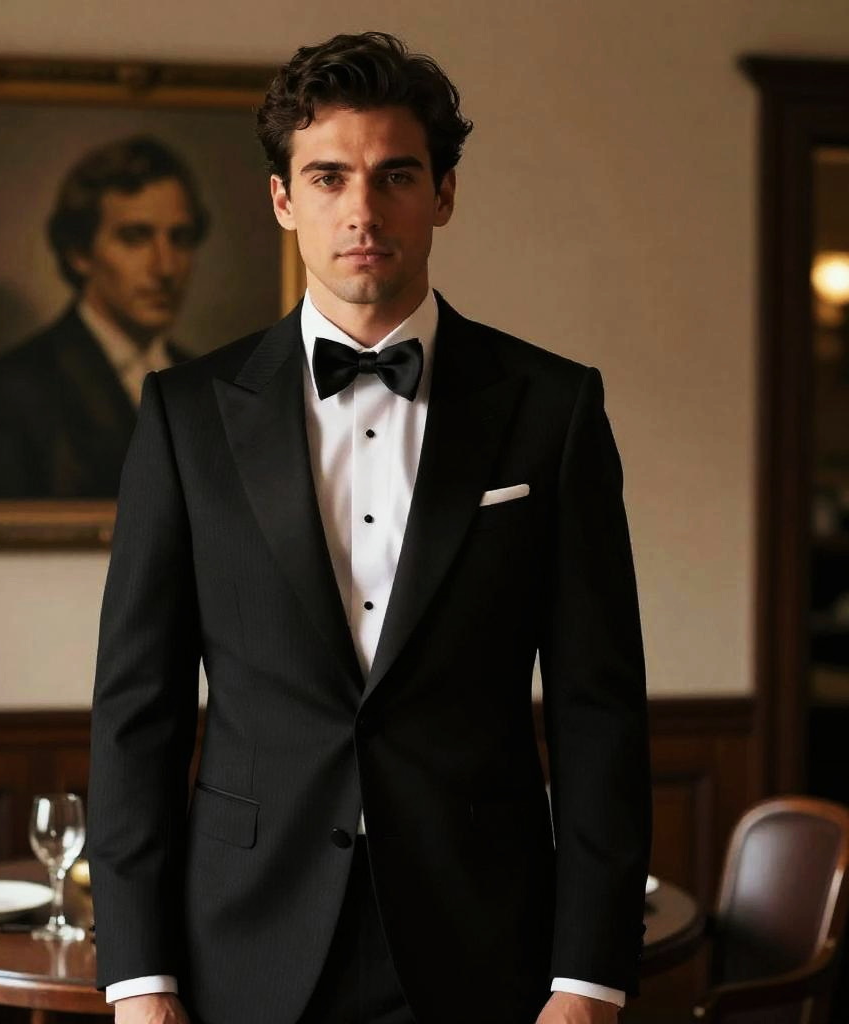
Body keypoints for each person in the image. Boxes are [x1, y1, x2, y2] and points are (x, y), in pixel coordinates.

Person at [88, 31, 651, 1024]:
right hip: (242, 949)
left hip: (486, 949)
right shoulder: (185, 415)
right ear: (281, 200)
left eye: (394, 175)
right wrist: (139, 981)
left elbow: (597, 713)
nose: (360, 209)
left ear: (441, 194)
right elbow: (140, 714)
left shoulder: (551, 410)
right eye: (328, 176)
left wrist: (588, 979)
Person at [0, 135, 209, 499]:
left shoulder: (205, 384)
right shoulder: (9, 393)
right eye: (135, 237)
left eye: (180, 238)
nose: (165, 267)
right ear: (79, 252)